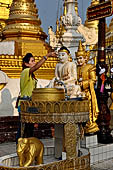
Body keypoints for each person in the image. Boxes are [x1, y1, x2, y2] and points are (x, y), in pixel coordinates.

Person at [16, 52, 56, 144]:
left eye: (34, 61)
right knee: (23, 129)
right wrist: (47, 56)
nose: (34, 62)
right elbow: (36, 67)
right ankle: (19, 147)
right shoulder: (25, 72)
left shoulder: (32, 77)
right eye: (32, 61)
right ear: (26, 64)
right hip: (24, 105)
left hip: (30, 104)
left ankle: (28, 148)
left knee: (30, 129)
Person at [76, 40, 99, 134]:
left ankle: (90, 125)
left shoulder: (90, 67)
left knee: (88, 111)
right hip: (78, 93)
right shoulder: (76, 68)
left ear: (86, 58)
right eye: (77, 58)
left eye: (81, 58)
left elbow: (93, 80)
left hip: (87, 93)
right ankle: (81, 128)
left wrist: (83, 83)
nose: (79, 60)